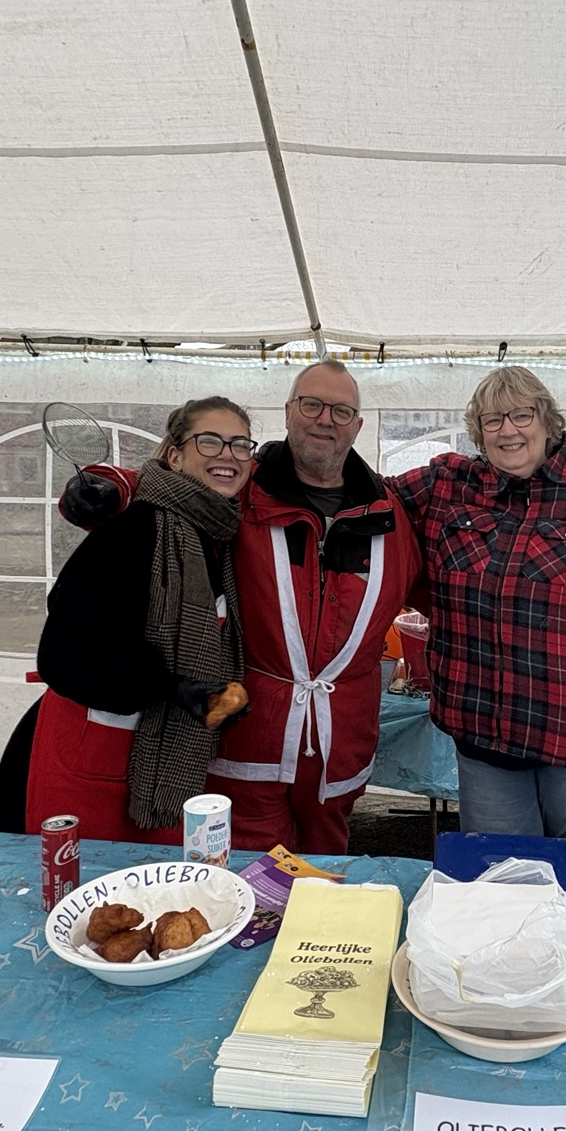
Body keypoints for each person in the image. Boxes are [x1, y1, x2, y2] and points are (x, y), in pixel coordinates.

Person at [391, 367, 566, 839]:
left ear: (547, 420)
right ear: (478, 434)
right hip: (484, 727)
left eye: (521, 415)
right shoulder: (448, 482)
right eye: (492, 421)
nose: (508, 430)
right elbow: (368, 498)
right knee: (502, 878)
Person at [205, 361, 420, 855]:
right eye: (312, 405)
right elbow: (170, 487)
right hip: (251, 731)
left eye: (341, 410)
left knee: (328, 870)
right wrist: (110, 491)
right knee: (254, 874)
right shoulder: (239, 490)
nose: (326, 419)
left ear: (358, 425)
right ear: (288, 412)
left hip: (341, 739)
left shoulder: (392, 513)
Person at [23, 397, 253, 841]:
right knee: (86, 899)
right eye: (209, 442)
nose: (227, 455)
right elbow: (63, 655)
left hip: (165, 764)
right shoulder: (132, 530)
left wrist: (211, 693)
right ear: (174, 454)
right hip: (92, 759)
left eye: (239, 444)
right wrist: (171, 687)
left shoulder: (219, 535)